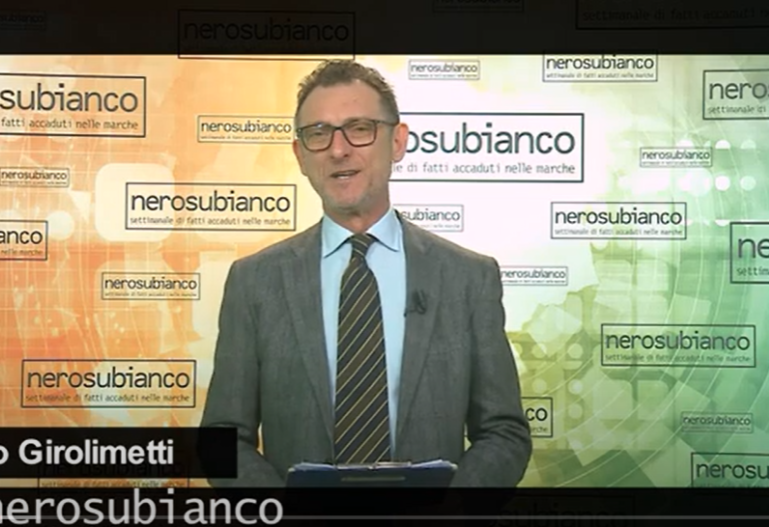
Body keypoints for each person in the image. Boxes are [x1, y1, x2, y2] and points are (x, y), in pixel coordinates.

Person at [201, 59, 531, 487]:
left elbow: (504, 434)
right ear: (300, 156)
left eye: (359, 128)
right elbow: (221, 440)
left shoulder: (468, 278)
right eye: (318, 133)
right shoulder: (255, 282)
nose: (338, 150)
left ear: (397, 141)